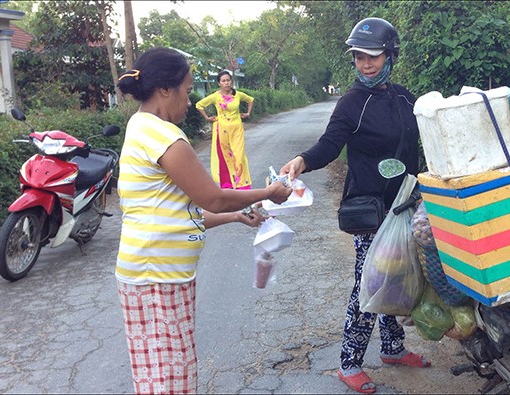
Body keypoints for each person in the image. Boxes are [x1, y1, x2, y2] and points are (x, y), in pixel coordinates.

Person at [115, 47, 291, 395]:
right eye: (186, 88)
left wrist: (236, 216)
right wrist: (268, 192)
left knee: (160, 379)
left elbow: (179, 213)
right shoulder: (165, 137)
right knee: (169, 383)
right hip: (157, 278)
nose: (189, 98)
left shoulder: (141, 125)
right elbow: (212, 195)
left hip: (151, 275)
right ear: (165, 89)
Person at [280, 17, 430, 394]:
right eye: (360, 57)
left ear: (390, 56)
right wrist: (302, 161)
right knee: (369, 284)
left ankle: (394, 348)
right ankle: (349, 362)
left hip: (404, 205)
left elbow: (427, 139)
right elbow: (330, 144)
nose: (366, 64)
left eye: (374, 56)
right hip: (369, 211)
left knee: (397, 275)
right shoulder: (351, 103)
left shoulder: (406, 99)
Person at [195, 70, 255, 190]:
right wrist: (207, 118)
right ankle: (229, 183)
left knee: (239, 155)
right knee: (226, 156)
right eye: (224, 81)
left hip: (237, 129)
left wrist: (248, 113)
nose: (227, 83)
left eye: (228, 80)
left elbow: (250, 100)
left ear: (231, 81)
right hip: (222, 130)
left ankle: (242, 184)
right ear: (219, 83)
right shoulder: (215, 97)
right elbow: (199, 105)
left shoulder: (237, 95)